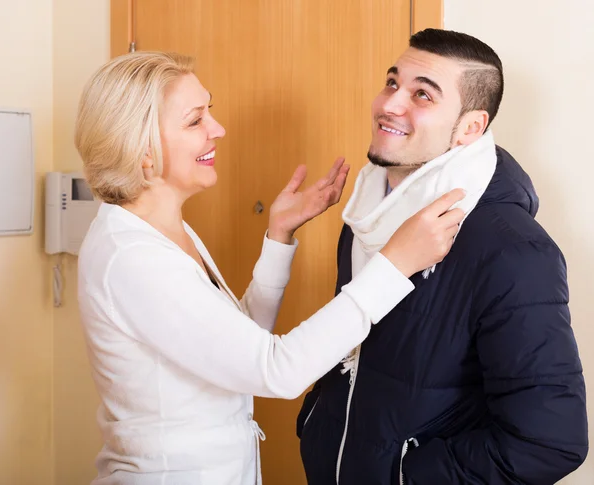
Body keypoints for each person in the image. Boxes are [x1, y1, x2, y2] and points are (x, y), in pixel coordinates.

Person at [74, 51, 465, 485]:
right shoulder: (132, 259)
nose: (217, 129)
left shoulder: (163, 230)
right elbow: (276, 370)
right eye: (195, 120)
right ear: (143, 151)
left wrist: (279, 234)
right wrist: (395, 265)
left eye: (211, 111)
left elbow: (238, 344)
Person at [298, 28, 588, 485]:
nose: (390, 104)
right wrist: (317, 421)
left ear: (470, 127)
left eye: (422, 95)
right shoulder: (370, 212)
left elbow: (549, 441)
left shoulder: (513, 250)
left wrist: (405, 477)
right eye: (392, 82)